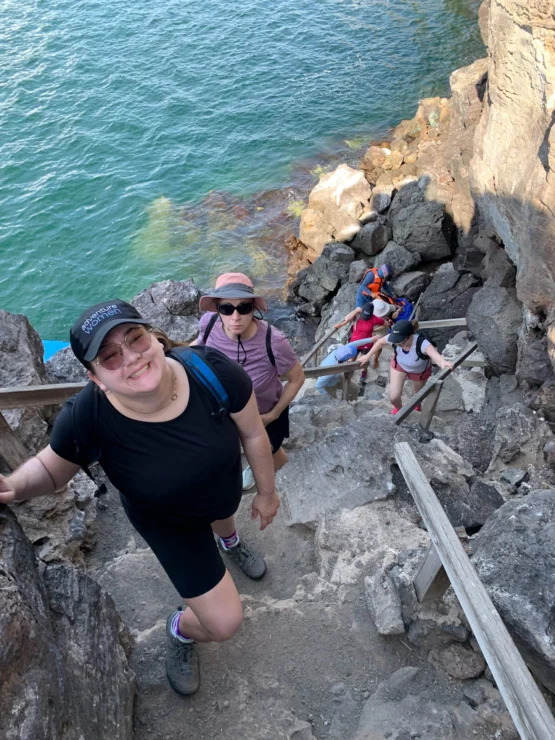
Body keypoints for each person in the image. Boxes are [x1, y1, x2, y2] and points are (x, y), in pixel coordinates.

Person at [0, 299, 280, 697]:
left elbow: (253, 433)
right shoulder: (88, 416)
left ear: (154, 337)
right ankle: (179, 629)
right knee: (224, 624)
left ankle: (228, 540)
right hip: (167, 521)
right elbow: (49, 470)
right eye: (110, 357)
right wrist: (13, 486)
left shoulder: (212, 371)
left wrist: (267, 493)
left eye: (135, 339)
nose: (131, 358)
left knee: (223, 513)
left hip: (221, 490)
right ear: (95, 377)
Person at [193, 273, 305, 491]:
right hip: (225, 413)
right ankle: (257, 468)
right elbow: (200, 350)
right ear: (217, 308)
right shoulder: (208, 323)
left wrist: (273, 415)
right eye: (226, 308)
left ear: (253, 308)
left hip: (264, 415)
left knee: (269, 450)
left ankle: (284, 481)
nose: (235, 317)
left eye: (243, 307)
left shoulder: (274, 341)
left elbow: (297, 378)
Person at [359, 319, 454, 415]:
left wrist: (443, 363)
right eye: (396, 342)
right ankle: (400, 410)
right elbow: (380, 343)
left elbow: (435, 356)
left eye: (400, 342)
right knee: (393, 397)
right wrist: (368, 356)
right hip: (399, 365)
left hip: (419, 371)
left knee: (417, 394)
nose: (397, 344)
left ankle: (417, 405)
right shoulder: (394, 338)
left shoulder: (422, 343)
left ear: (410, 336)